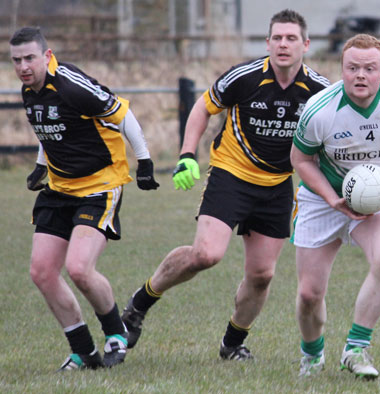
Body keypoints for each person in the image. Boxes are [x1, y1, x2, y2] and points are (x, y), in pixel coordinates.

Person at [121, 9, 329, 360]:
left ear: (305, 44)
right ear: (267, 43)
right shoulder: (245, 77)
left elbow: (331, 138)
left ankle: (232, 344)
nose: (283, 44)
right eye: (277, 37)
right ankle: (139, 305)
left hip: (278, 184)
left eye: (291, 38)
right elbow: (202, 109)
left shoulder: (320, 91)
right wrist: (188, 154)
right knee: (206, 254)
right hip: (231, 174)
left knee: (262, 274)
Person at [9, 26, 159, 371]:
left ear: (47, 56)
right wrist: (40, 165)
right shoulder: (29, 90)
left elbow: (122, 114)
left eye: (30, 57)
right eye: (16, 60)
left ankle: (116, 333)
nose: (23, 66)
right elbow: (51, 129)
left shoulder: (71, 85)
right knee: (42, 272)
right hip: (59, 189)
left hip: (99, 186)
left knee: (78, 268)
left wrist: (145, 161)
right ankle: (84, 351)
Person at [290, 34, 380, 379]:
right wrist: (331, 198)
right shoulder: (320, 109)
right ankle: (312, 354)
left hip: (375, 199)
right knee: (310, 294)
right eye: (353, 68)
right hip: (321, 200)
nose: (361, 75)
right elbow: (300, 159)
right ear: (342, 69)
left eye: (370, 68)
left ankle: (356, 349)